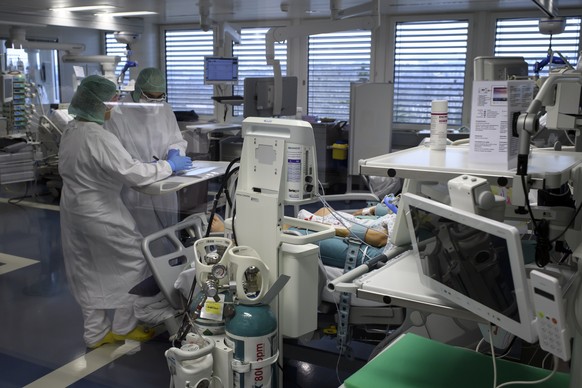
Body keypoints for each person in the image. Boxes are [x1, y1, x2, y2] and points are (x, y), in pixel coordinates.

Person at [58, 75, 192, 348]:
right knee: (134, 259)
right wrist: (170, 167)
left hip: (73, 209)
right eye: (110, 102)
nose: (113, 107)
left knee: (86, 266)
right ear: (96, 104)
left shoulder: (72, 131)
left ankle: (95, 333)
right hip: (100, 210)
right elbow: (134, 173)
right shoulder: (98, 137)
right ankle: (124, 326)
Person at [104, 67, 188, 238]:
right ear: (138, 90)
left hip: (165, 183)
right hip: (135, 189)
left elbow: (176, 139)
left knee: (170, 236)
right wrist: (156, 168)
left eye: (159, 97)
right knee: (145, 239)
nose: (154, 102)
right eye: (150, 96)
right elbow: (118, 159)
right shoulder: (118, 114)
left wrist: (175, 152)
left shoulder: (164, 109)